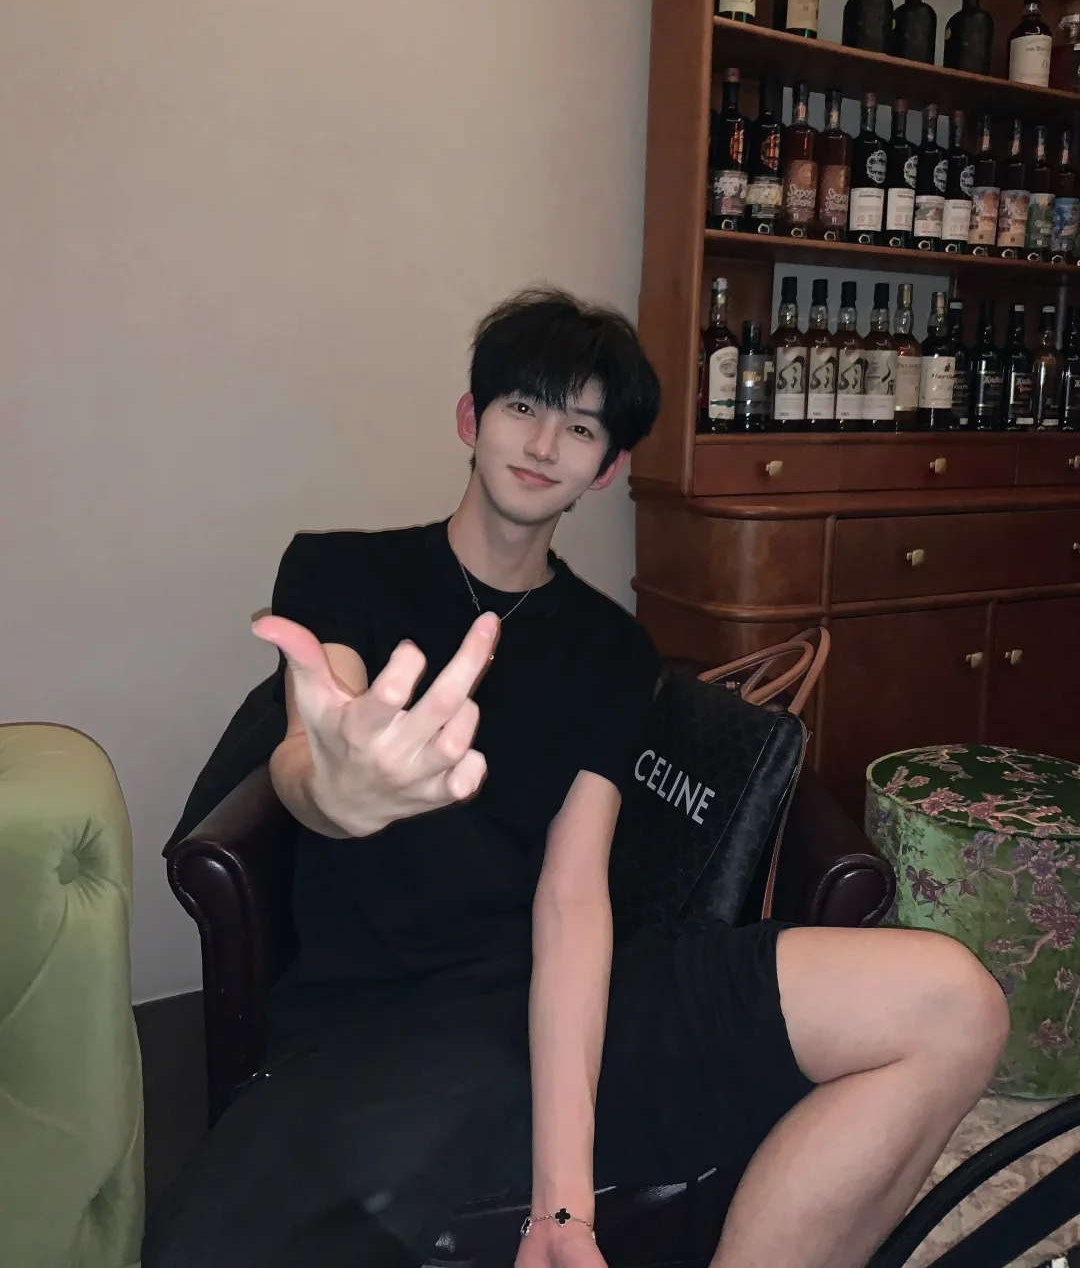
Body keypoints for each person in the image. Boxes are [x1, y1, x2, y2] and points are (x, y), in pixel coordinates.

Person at [145, 287, 1009, 1268]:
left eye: (583, 425)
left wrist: (565, 1209)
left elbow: (571, 897)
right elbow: (313, 750)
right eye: (523, 405)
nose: (545, 441)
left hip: (570, 999)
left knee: (954, 1004)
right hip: (386, 1023)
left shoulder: (612, 650)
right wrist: (338, 794)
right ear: (471, 419)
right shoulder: (343, 574)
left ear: (607, 468)